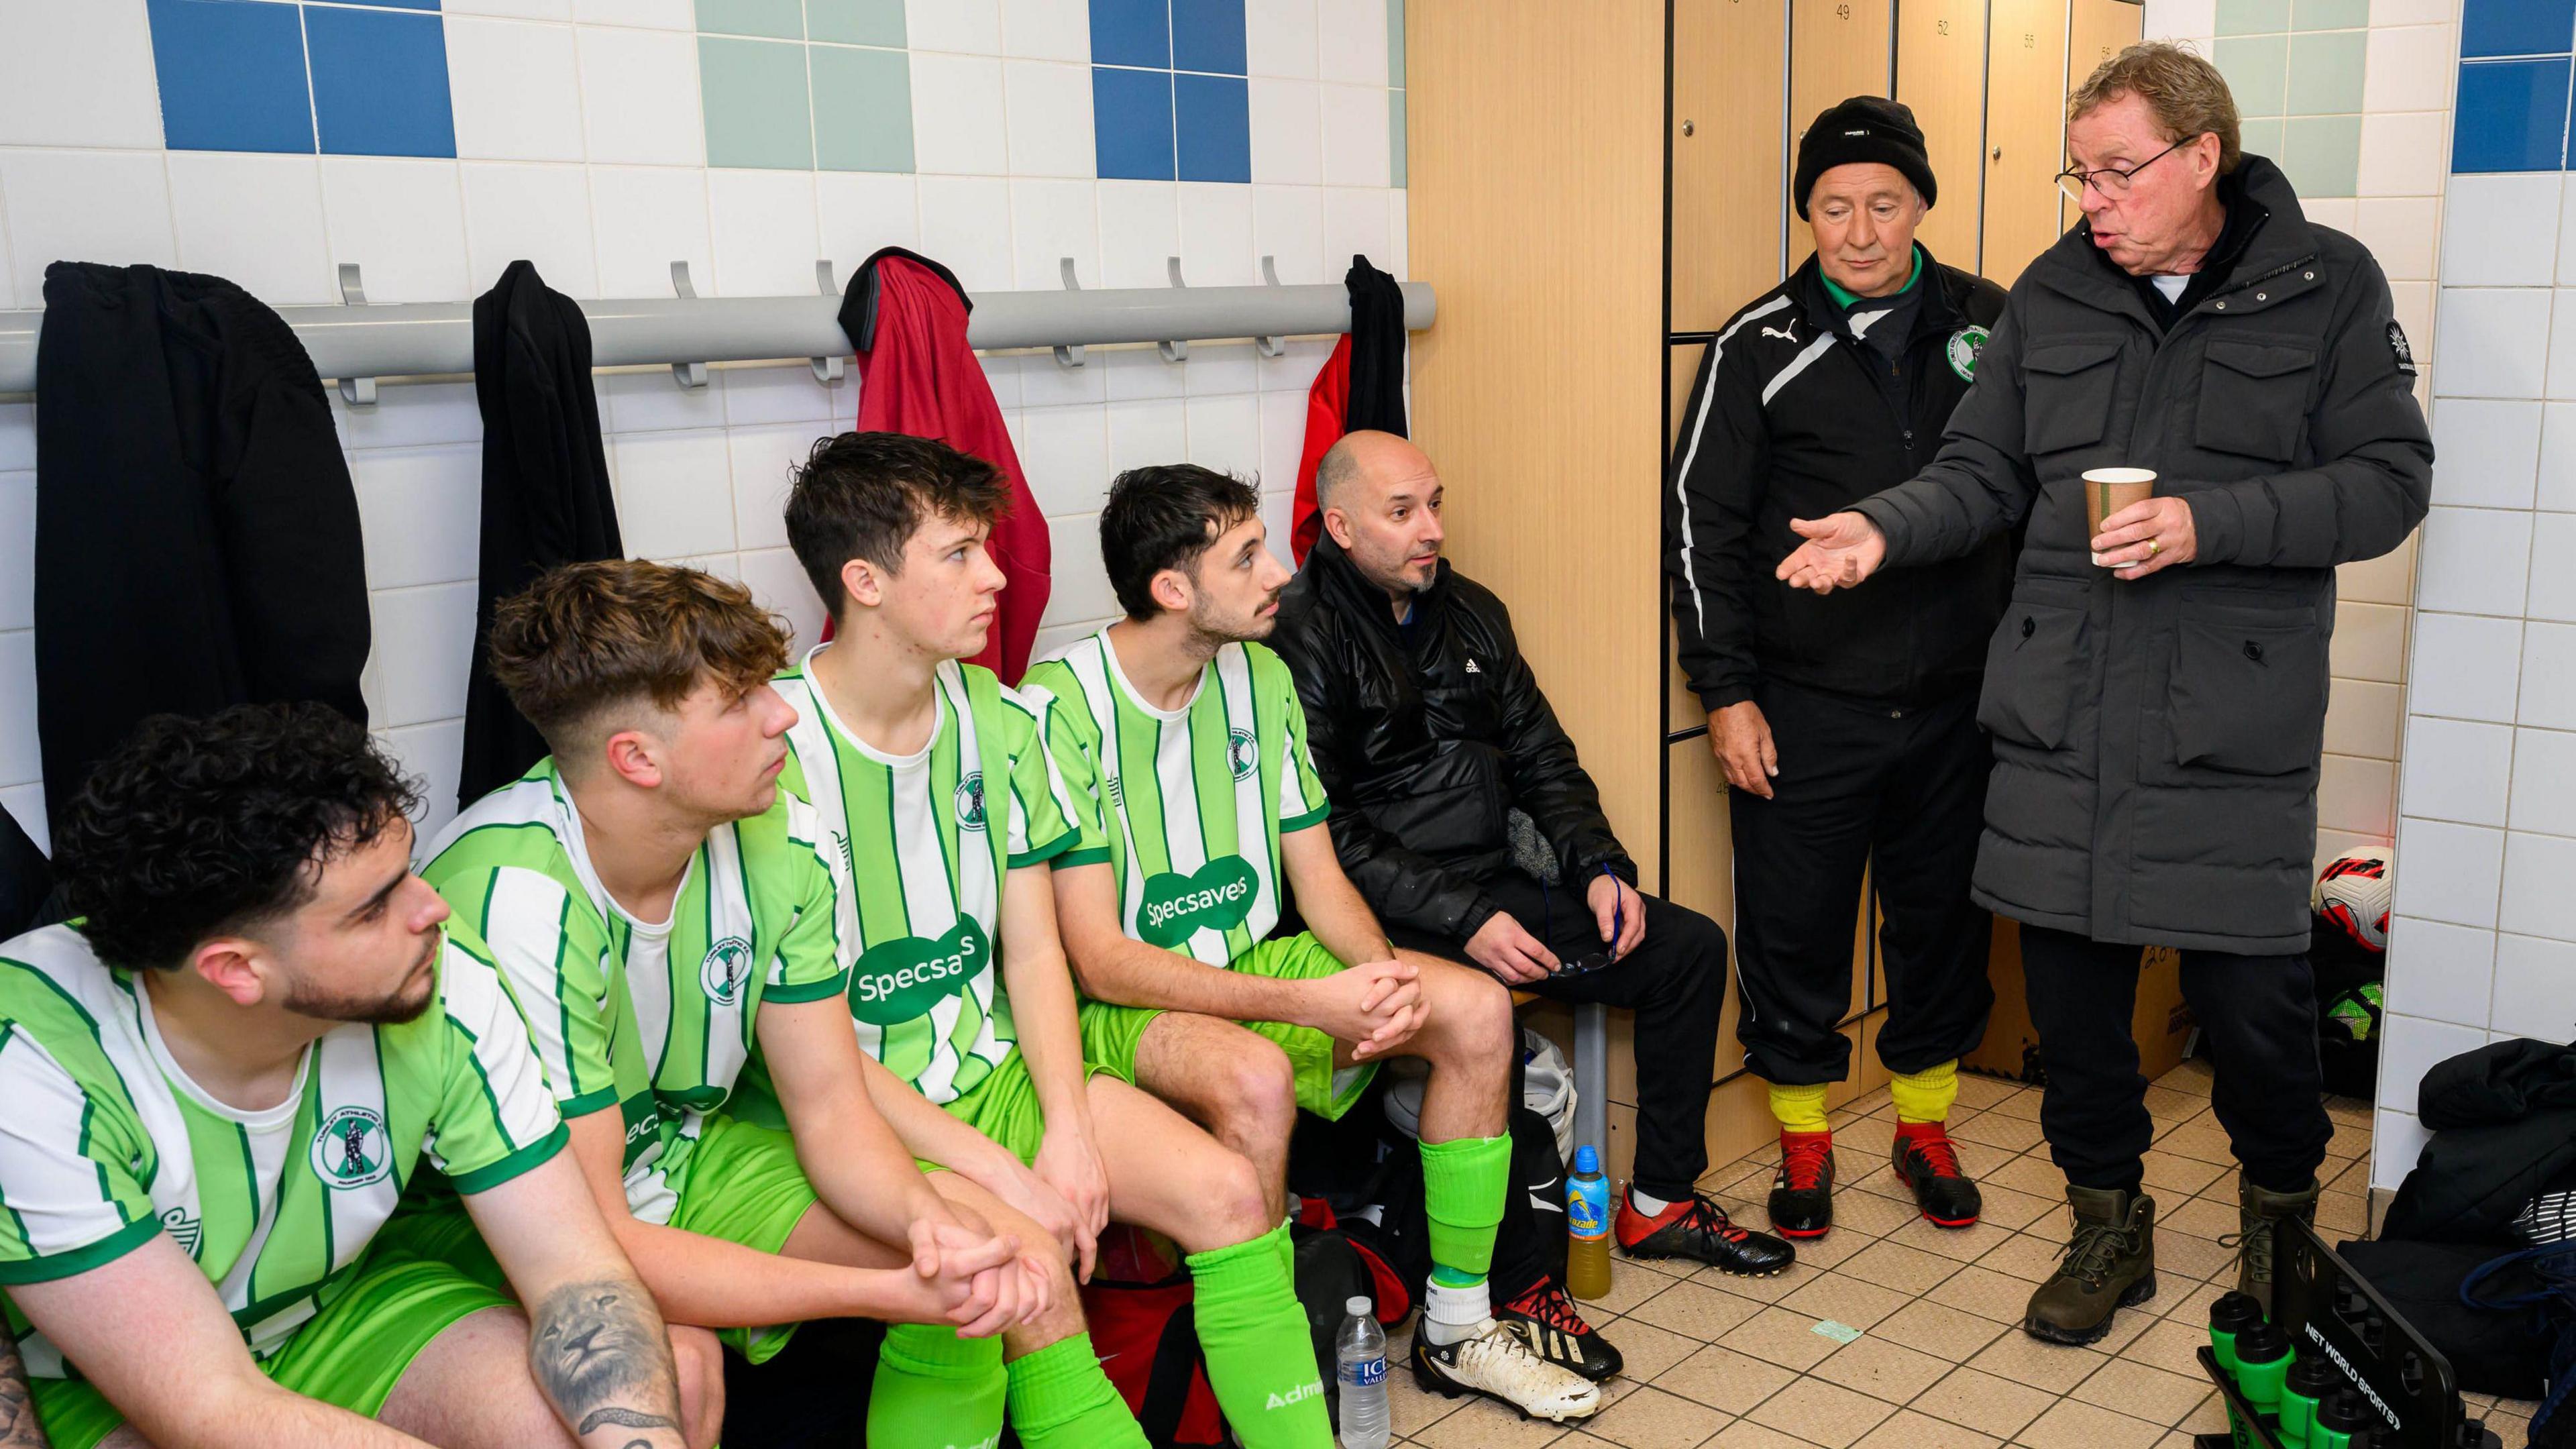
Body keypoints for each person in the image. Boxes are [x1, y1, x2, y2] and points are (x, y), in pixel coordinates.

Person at [1774, 42, 2432, 1346]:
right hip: (2060, 712)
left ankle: (2282, 1227)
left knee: (2255, 1010)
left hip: (2226, 724)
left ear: (2205, 158)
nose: (2097, 202)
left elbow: (2388, 482)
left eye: (2121, 172)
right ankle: (2106, 1223)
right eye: (2082, 176)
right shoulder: (2056, 293)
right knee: (2074, 1004)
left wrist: (2212, 524)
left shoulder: (2326, 286)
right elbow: (1980, 472)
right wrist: (1880, 531)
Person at [418, 559, 1128, 1448]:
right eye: (740, 702)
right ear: (636, 759)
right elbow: (588, 1243)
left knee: (988, 1250)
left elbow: (832, 1106)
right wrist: (887, 1285)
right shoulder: (515, 898)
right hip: (513, 1223)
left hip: (686, 1157)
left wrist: (930, 1229)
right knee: (695, 1367)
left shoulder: (781, 834)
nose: (783, 712)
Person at [771, 433, 1333, 1447]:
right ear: (865, 582)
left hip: (995, 1075)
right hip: (857, 1107)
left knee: (1224, 1193)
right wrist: (1013, 1178)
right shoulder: (775, 755)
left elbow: (1034, 957)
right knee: (1012, 1265)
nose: (997, 576)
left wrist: (1067, 1129)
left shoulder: (996, 718)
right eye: (959, 555)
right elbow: (819, 1064)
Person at [1024, 464, 1605, 1423]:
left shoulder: (1258, 674)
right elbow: (1096, 959)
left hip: (1252, 962)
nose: (1279, 574)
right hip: (1125, 1007)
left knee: (1471, 1007)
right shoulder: (1057, 710)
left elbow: (1320, 876)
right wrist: (1309, 1003)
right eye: (1247, 556)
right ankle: (1268, 1379)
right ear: (1174, 589)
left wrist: (1376, 977)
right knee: (1251, 1073)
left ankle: (1460, 1328)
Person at [0, 702, 716, 1449]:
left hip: (328, 1310)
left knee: (610, 1412)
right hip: (96, 1377)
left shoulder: (435, 968)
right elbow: (212, 1407)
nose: (433, 906)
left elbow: (576, 1274)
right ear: (237, 969)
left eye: (405, 873)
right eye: (375, 909)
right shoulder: (33, 1066)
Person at [1271, 431, 1796, 1280]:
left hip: (1494, 885)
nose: (1431, 528)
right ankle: (1514, 1278)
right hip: (1380, 918)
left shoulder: (1474, 609)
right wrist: (1468, 920)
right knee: (1484, 1014)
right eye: (1401, 513)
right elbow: (1328, 834)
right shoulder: (1294, 638)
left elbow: (1544, 756)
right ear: (1338, 525)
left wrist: (1597, 867)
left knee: (1685, 949)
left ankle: (1660, 1202)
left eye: (1435, 503)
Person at [1667, 96, 2007, 1240]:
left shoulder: (1990, 327)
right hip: (1804, 708)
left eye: (1883, 204)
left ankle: (1923, 1127)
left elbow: (2029, 496)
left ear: (1921, 203)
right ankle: (1803, 1145)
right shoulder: (1754, 343)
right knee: (1794, 932)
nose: (1858, 232)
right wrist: (1727, 692)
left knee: (1941, 929)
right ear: (1806, 212)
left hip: (1959, 706)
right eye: (1831, 208)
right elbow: (1699, 526)